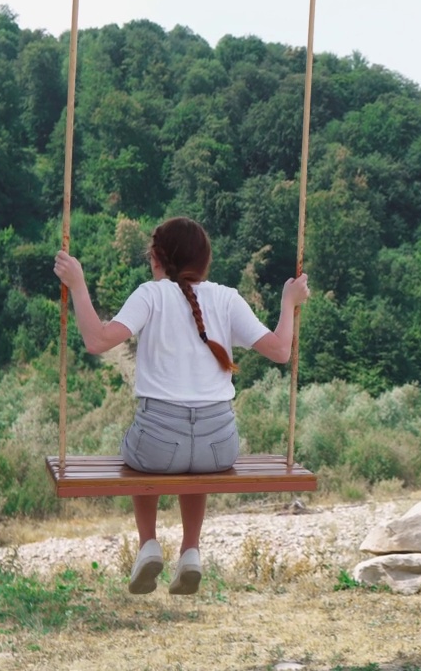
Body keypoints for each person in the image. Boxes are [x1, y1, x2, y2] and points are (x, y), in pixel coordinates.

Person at [53, 217, 310, 595]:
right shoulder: (227, 297)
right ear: (205, 262)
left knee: (143, 455)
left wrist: (77, 284)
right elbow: (280, 350)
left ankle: (148, 544)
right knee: (195, 459)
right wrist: (289, 302)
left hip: (158, 446)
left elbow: (97, 340)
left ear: (157, 259)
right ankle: (191, 550)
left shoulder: (150, 294)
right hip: (219, 448)